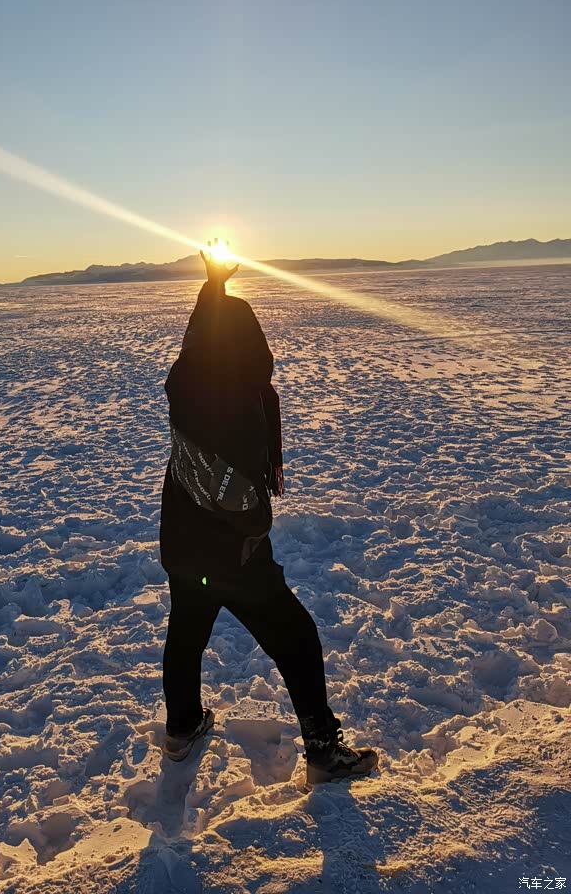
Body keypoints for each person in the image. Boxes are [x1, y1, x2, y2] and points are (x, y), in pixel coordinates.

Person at [158, 244, 379, 787]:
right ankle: (323, 750)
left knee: (187, 629)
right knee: (295, 636)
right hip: (230, 548)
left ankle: (183, 727)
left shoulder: (189, 382)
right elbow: (236, 492)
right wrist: (255, 531)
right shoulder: (235, 402)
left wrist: (213, 288)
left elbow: (200, 337)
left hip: (182, 541)